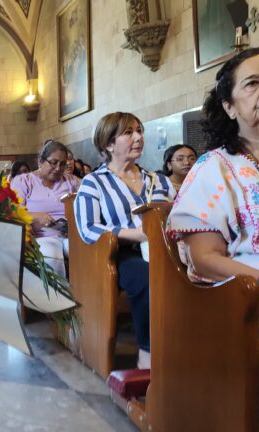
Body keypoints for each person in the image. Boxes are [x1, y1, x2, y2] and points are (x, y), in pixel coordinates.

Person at [167, 46, 259, 378]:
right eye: (252, 83)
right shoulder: (215, 168)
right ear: (230, 107)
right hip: (257, 293)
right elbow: (205, 259)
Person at [74, 111, 175, 369]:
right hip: (121, 252)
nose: (138, 137)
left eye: (140, 131)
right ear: (108, 143)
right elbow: (88, 229)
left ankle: (187, 345)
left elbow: (178, 214)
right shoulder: (93, 183)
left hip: (164, 249)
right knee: (146, 276)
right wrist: (134, 234)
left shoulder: (158, 180)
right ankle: (148, 354)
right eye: (128, 132)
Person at [10, 140, 80, 277]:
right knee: (52, 256)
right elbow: (13, 212)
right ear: (40, 161)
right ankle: (58, 297)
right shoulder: (24, 181)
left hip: (70, 234)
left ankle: (85, 296)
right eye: (53, 162)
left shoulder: (70, 181)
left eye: (63, 164)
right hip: (41, 236)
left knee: (86, 252)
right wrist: (35, 216)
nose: (58, 168)